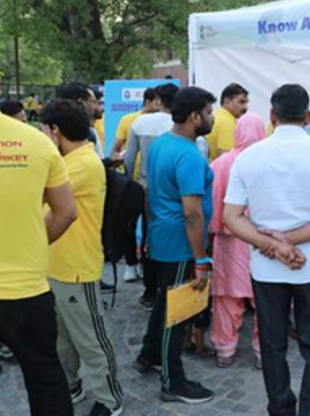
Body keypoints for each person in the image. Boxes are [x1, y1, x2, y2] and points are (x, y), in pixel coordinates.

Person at [224, 83, 310, 416]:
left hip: (267, 267)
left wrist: (274, 244)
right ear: (307, 117)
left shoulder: (248, 157)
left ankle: (280, 409)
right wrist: (288, 242)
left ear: (272, 115)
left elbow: (231, 217)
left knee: (272, 343)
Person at [0, 44, 77, 416]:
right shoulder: (36, 141)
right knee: (47, 382)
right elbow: (66, 212)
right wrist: (28, 244)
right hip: (26, 290)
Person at [40, 100, 123, 416]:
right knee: (62, 338)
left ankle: (109, 399)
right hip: (56, 264)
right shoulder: (71, 160)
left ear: (55, 131)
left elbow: (35, 193)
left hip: (76, 267)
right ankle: (71, 385)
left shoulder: (81, 164)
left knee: (91, 340)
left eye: (43, 130)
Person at [134, 87, 216, 404]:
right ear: (194, 116)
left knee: (164, 302)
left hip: (161, 235)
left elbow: (150, 192)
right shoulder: (189, 155)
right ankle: (173, 381)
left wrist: (147, 236)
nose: (212, 118)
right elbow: (192, 213)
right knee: (178, 313)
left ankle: (150, 354)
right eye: (208, 112)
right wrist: (201, 259)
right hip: (182, 243)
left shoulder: (161, 144)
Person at [209, 113, 265, 369]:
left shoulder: (220, 164)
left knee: (226, 298)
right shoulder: (268, 162)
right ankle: (263, 352)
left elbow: (210, 204)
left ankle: (224, 350)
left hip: (228, 240)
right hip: (262, 241)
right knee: (265, 299)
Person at [111, 88, 161, 283]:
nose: (160, 106)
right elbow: (116, 148)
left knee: (149, 224)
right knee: (128, 225)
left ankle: (147, 263)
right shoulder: (128, 120)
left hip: (151, 182)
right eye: (157, 102)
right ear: (147, 102)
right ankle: (131, 264)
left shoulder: (166, 120)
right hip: (132, 181)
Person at [205, 82, 249, 161]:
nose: (245, 107)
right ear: (227, 102)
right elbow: (226, 160)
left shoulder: (218, 115)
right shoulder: (227, 123)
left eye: (246, 102)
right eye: (241, 102)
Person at [58, 82, 103, 157]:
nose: (95, 107)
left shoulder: (89, 131)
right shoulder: (82, 134)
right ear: (81, 102)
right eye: (93, 102)